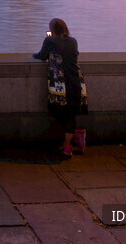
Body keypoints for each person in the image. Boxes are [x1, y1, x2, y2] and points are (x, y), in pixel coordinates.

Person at [33, 18, 88, 156]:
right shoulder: (73, 40)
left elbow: (41, 56)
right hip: (76, 79)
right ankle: (74, 138)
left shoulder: (50, 40)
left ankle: (68, 145)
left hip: (60, 82)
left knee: (56, 109)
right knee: (71, 112)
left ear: (53, 29)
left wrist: (39, 50)